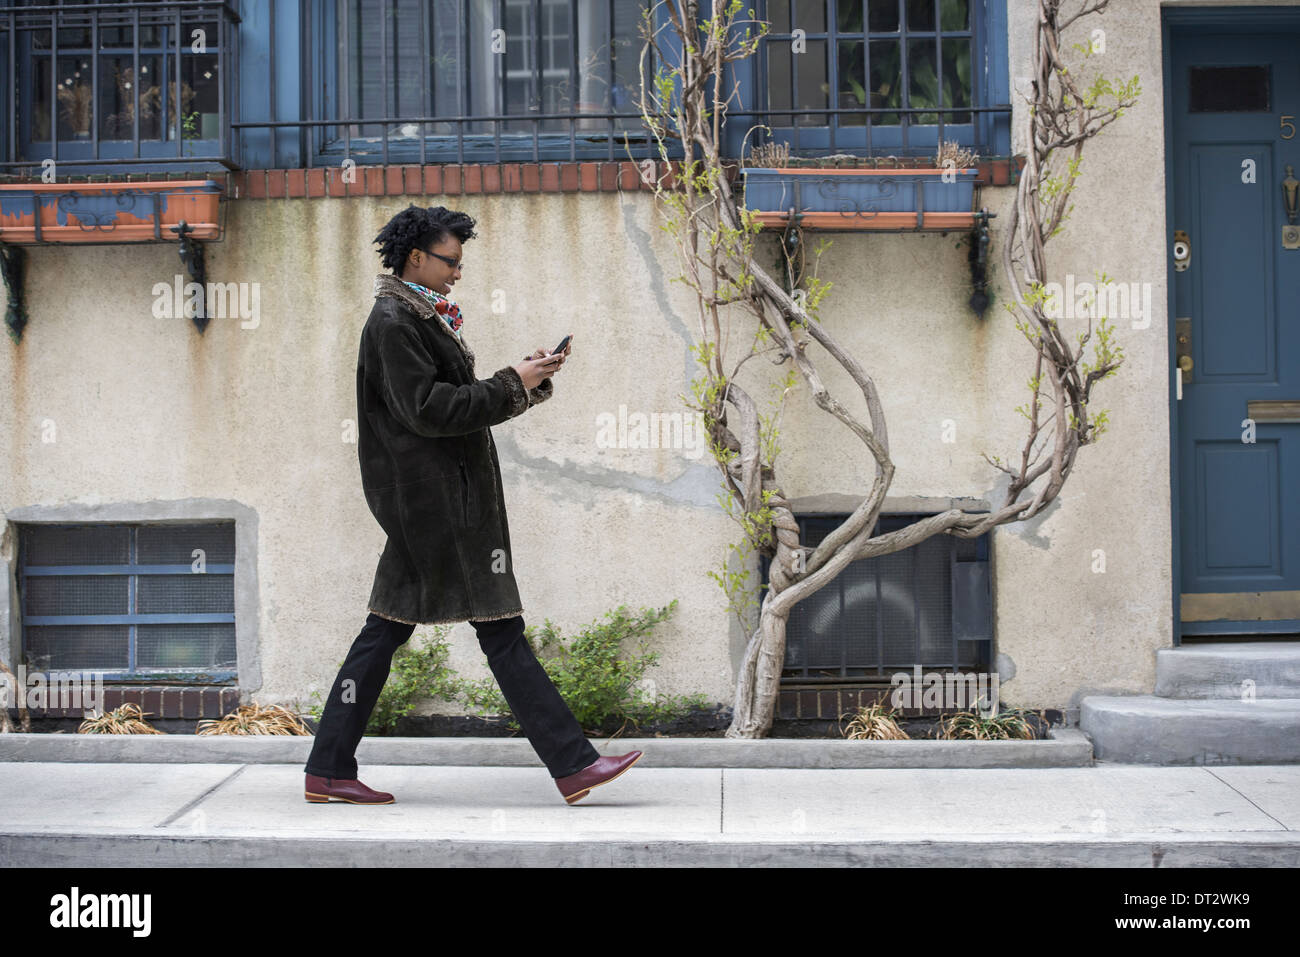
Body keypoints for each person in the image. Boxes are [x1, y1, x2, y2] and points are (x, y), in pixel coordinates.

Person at [303, 204, 641, 806]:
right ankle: (572, 764)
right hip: (436, 508)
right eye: (449, 261)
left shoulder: (416, 316)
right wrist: (513, 378)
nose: (458, 272)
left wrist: (525, 382)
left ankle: (328, 768)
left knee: (388, 631)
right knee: (498, 629)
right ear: (416, 258)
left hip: (435, 503)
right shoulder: (394, 321)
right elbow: (430, 410)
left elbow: (452, 403)